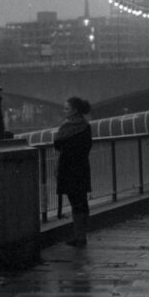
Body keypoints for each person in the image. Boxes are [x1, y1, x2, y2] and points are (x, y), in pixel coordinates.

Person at [53, 96, 93, 248]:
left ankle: (79, 237)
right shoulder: (86, 126)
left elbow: (57, 144)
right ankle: (82, 235)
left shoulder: (66, 127)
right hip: (82, 167)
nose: (64, 111)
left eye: (66, 109)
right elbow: (87, 146)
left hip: (68, 169)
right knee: (81, 201)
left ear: (75, 110)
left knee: (75, 203)